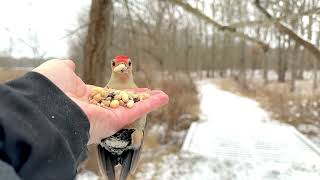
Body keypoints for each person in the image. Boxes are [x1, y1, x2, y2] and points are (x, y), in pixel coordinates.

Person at [0, 59, 169, 180]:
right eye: (115, 64)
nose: (122, 67)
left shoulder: (135, 94)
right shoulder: (106, 91)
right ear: (112, 67)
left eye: (127, 64)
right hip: (107, 144)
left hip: (129, 144)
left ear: (131, 67)